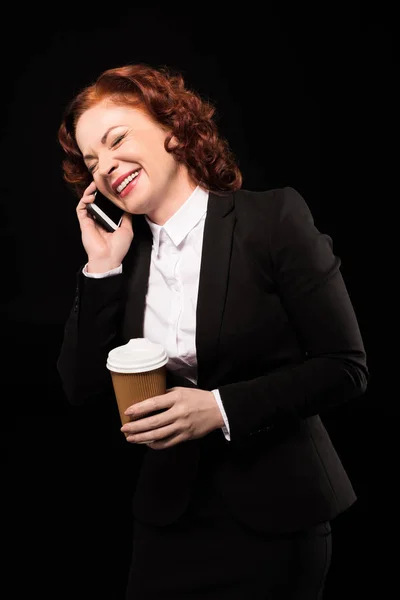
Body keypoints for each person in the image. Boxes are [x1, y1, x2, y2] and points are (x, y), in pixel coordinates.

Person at [56, 62, 369, 600]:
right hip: (167, 522)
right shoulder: (120, 259)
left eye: (116, 140)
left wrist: (219, 408)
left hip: (280, 519)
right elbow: (82, 389)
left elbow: (345, 367)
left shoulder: (272, 219)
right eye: (91, 161)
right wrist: (102, 265)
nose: (104, 167)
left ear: (174, 128)